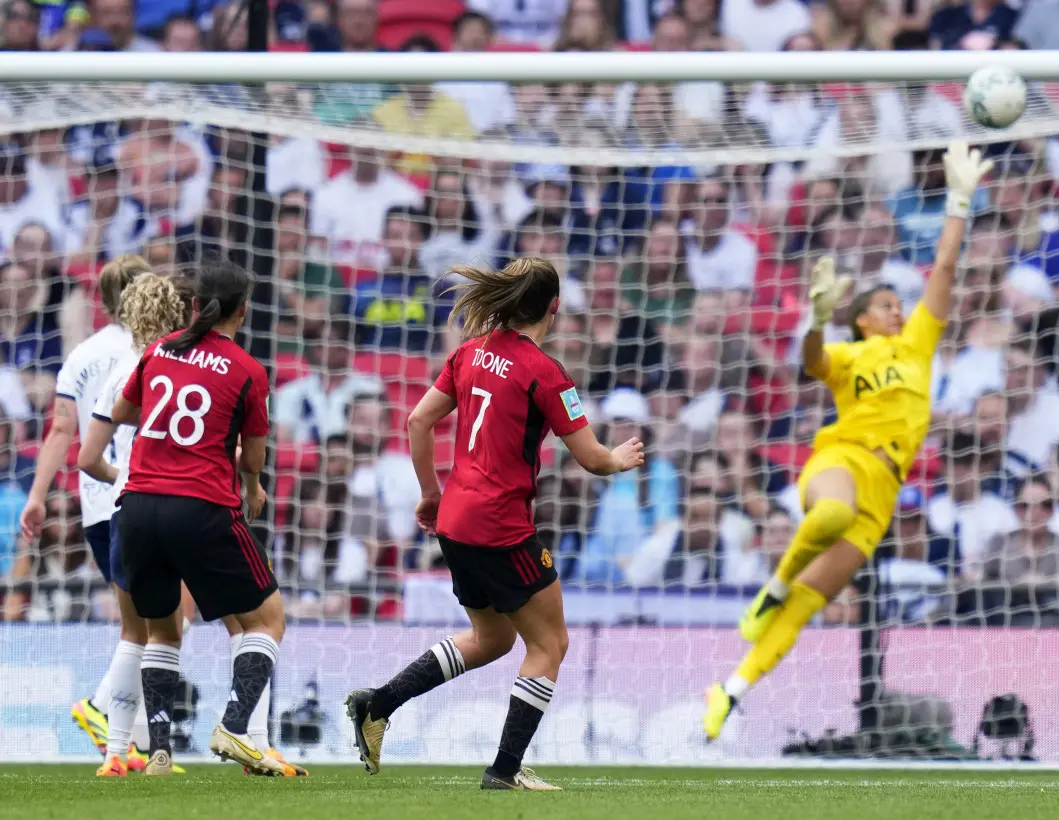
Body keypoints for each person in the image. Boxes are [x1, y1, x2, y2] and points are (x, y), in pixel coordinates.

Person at [703, 141, 992, 739]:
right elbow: (809, 362)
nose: (897, 311)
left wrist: (959, 199)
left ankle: (730, 690)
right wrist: (815, 317)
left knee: (811, 606)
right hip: (841, 459)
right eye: (886, 305)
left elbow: (943, 269)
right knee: (830, 513)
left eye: (898, 305)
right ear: (860, 317)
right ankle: (772, 586)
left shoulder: (916, 346)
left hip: (886, 490)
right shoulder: (848, 352)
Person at [344, 257, 644, 791]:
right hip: (501, 526)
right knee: (550, 645)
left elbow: (417, 421)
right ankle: (504, 771)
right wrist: (619, 458)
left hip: (457, 522)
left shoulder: (469, 352)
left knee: (492, 638)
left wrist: (431, 494)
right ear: (554, 307)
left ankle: (378, 703)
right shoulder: (546, 373)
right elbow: (593, 460)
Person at [108, 259, 284, 776]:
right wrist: (252, 488)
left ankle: (159, 751)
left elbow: (123, 412)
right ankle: (234, 726)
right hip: (201, 506)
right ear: (244, 311)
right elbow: (253, 458)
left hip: (137, 507)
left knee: (161, 631)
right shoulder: (247, 369)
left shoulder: (161, 350)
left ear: (192, 305)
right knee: (268, 619)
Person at [17, 255, 147, 757]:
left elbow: (62, 431)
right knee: (158, 622)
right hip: (137, 496)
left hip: (95, 505)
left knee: (140, 622)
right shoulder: (152, 351)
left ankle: (131, 743)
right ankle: (100, 709)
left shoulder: (81, 355)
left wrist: (37, 496)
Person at [77, 271, 189, 776]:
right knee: (166, 630)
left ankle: (121, 752)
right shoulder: (183, 366)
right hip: (181, 506)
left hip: (130, 510)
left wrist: (123, 477)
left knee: (133, 633)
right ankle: (137, 739)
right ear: (179, 313)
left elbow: (86, 456)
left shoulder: (124, 366)